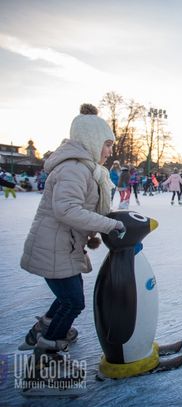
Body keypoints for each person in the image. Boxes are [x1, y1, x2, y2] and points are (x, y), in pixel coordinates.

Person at [19, 104, 125, 361]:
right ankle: (47, 351)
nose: (110, 151)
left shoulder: (86, 167)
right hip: (54, 245)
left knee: (69, 294)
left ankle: (43, 328)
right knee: (73, 301)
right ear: (93, 140)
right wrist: (109, 225)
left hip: (63, 245)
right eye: (108, 144)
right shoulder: (74, 168)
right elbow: (66, 209)